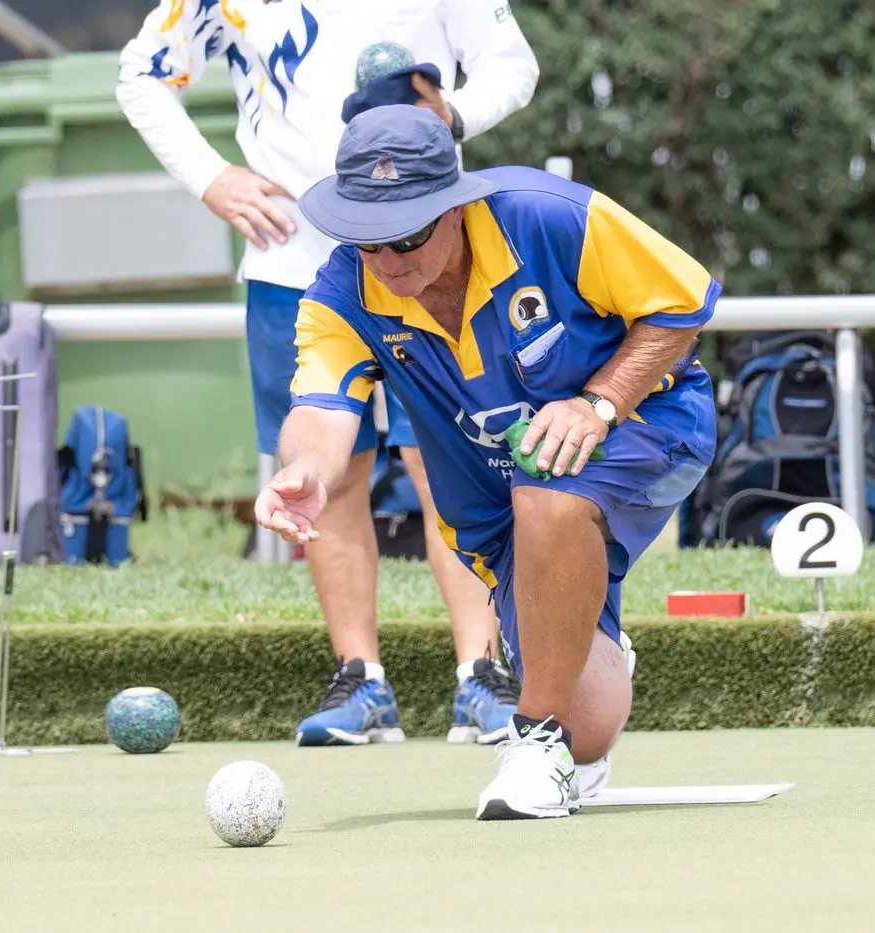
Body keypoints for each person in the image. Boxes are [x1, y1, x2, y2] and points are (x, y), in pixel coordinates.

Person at [254, 105, 720, 820]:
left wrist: (595, 404)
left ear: (452, 207)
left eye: (405, 234)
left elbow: (682, 304)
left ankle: (532, 739)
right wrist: (307, 472)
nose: (387, 261)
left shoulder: (549, 216)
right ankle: (581, 671)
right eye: (367, 240)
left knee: (547, 486)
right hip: (497, 503)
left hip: (650, 425)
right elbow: (319, 411)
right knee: (588, 729)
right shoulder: (342, 293)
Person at [115, 1, 540, 747]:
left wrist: (455, 116)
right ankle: (360, 679)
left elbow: (514, 66)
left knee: (452, 466)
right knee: (326, 474)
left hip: (430, 258)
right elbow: (141, 75)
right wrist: (210, 177)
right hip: (293, 262)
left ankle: (483, 673)